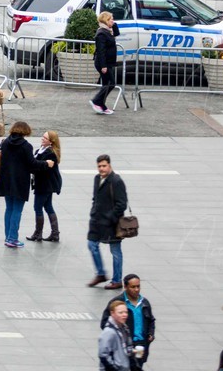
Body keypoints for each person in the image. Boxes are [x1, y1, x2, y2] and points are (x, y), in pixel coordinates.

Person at [87, 153, 129, 289]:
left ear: (109, 165)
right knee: (92, 244)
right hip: (97, 221)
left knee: (115, 251)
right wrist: (93, 212)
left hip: (112, 224)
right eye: (99, 166)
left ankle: (117, 280)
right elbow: (96, 198)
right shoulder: (96, 178)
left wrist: (111, 217)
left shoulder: (116, 181)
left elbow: (122, 204)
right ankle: (101, 273)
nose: (101, 168)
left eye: (104, 166)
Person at [101, 276, 156, 364]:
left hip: (141, 344)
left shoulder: (144, 302)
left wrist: (150, 333)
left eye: (138, 286)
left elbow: (151, 320)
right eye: (133, 287)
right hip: (125, 344)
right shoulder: (117, 303)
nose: (136, 289)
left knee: (138, 366)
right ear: (125, 287)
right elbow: (104, 323)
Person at [0, 119, 34, 247]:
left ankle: (8, 236)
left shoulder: (6, 142)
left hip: (6, 180)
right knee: (17, 210)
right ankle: (12, 238)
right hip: (20, 182)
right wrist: (46, 164)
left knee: (9, 209)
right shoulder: (26, 146)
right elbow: (32, 164)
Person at [28, 128, 62, 242]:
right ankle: (55, 233)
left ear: (51, 142)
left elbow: (40, 168)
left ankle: (38, 233)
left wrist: (33, 166)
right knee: (48, 206)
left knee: (37, 207)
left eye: (45, 138)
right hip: (45, 184)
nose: (42, 139)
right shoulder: (40, 150)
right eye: (43, 137)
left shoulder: (50, 153)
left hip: (45, 184)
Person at [98, 302, 134, 371]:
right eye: (120, 313)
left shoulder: (125, 328)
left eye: (126, 312)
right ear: (112, 313)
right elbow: (103, 355)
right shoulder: (109, 332)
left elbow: (127, 348)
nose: (124, 315)